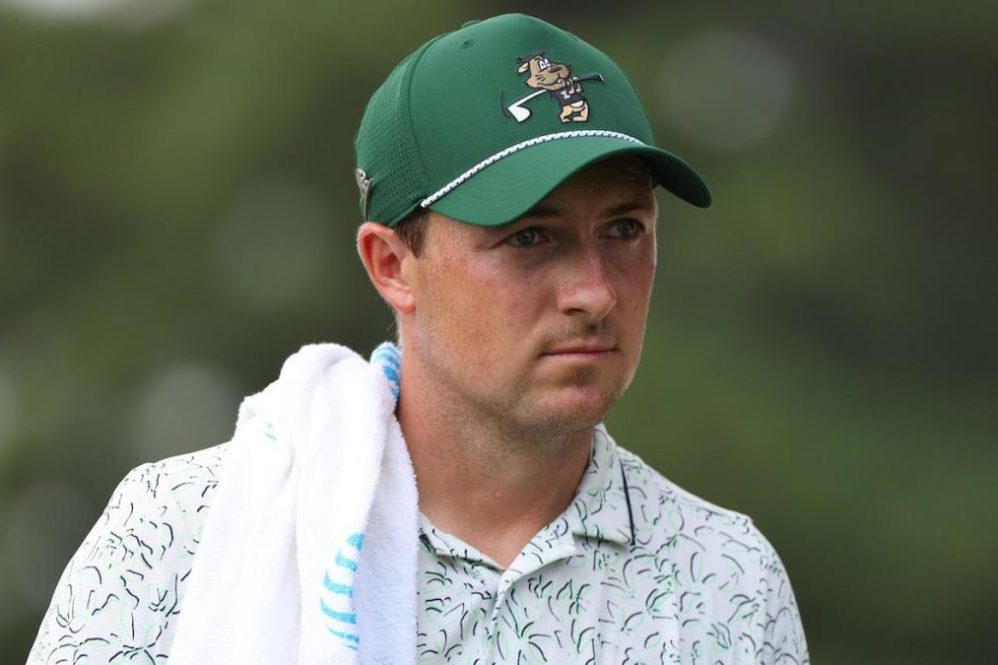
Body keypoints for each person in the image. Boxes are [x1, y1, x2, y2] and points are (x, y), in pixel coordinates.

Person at [27, 13, 808, 665]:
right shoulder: (182, 531)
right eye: (530, 237)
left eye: (625, 228)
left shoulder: (728, 580)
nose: (597, 292)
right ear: (393, 265)